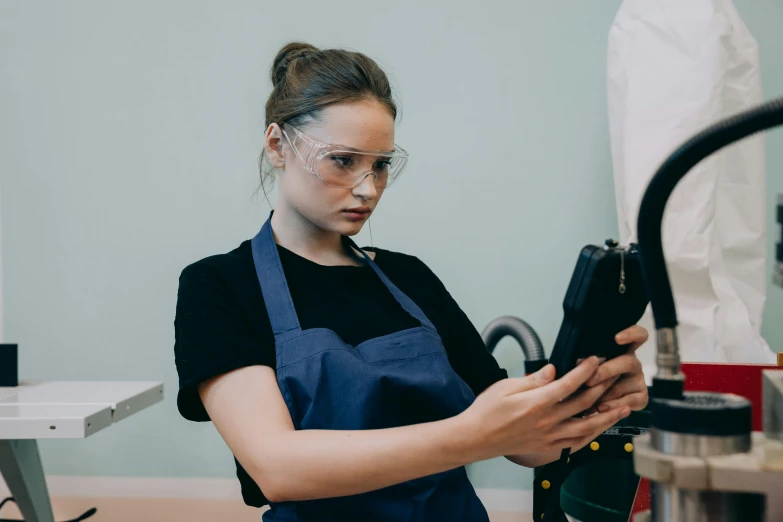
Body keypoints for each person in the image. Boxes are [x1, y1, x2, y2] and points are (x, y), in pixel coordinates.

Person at [173, 42, 649, 522]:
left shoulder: (409, 278)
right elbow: (279, 467)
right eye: (343, 160)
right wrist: (474, 435)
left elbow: (529, 451)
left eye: (380, 164)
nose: (369, 188)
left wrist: (591, 405)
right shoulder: (220, 286)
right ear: (277, 145)